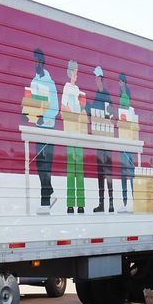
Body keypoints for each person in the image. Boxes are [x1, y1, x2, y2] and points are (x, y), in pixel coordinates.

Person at [29, 48, 59, 215]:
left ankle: (45, 202)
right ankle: (48, 193)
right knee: (40, 165)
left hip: (48, 128)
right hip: (38, 128)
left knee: (46, 166)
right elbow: (33, 102)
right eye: (34, 61)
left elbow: (54, 108)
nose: (35, 64)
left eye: (37, 61)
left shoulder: (50, 82)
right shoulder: (34, 81)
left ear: (42, 62)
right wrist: (29, 112)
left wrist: (43, 117)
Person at [60, 59, 86, 214]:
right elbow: (63, 106)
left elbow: (80, 108)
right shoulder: (67, 87)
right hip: (70, 129)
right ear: (70, 72)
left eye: (77, 71)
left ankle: (81, 203)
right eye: (74, 71)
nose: (76, 74)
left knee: (80, 170)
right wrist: (73, 111)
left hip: (79, 131)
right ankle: (70, 203)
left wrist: (82, 111)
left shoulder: (78, 90)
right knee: (71, 168)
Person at [89, 65, 114, 213]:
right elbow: (94, 111)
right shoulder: (98, 95)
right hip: (99, 138)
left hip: (106, 138)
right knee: (101, 173)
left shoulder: (106, 95)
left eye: (97, 77)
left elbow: (110, 115)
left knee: (108, 172)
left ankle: (110, 203)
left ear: (100, 79)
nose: (95, 80)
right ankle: (102, 203)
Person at [118, 72, 135, 212]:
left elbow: (123, 116)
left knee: (127, 173)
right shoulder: (125, 96)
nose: (119, 84)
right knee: (128, 173)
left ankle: (126, 202)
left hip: (126, 139)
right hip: (127, 139)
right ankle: (129, 201)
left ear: (124, 82)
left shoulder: (124, 97)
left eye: (120, 82)